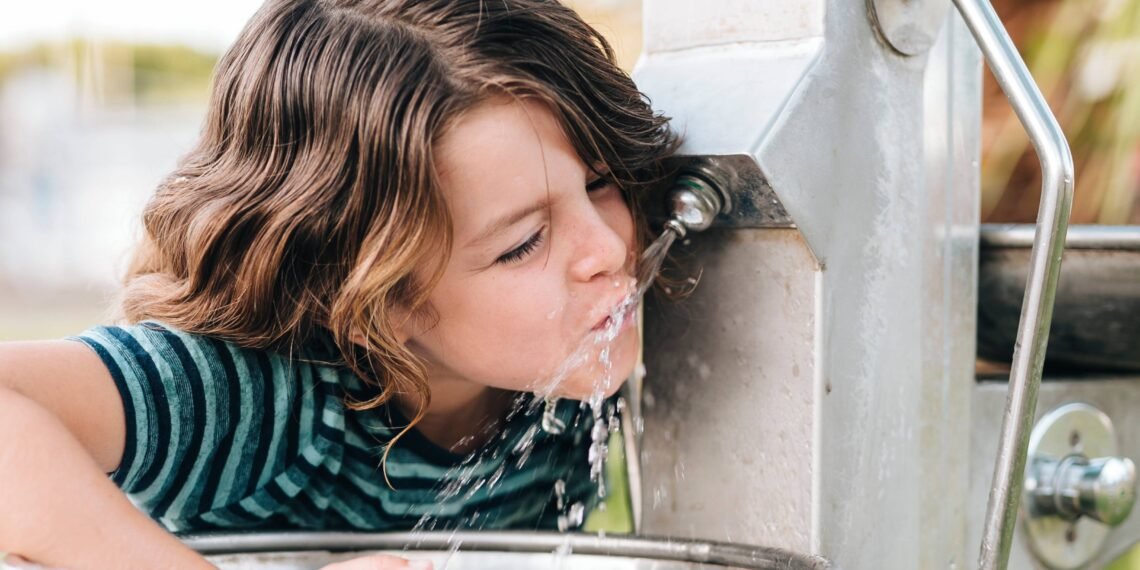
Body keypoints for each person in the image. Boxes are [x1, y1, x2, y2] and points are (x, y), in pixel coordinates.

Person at [0, 0, 678, 568]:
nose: (607, 247)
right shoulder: (266, 396)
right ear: (366, 301)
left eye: (600, 182)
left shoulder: (564, 387)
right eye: (522, 243)